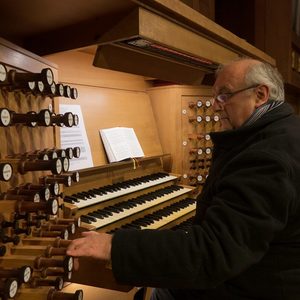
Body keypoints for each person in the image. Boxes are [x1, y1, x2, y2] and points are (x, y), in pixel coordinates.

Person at [66, 58, 300, 299]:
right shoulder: (281, 133)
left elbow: (212, 253)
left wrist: (113, 246)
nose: (215, 106)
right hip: (259, 272)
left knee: (159, 292)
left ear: (260, 95)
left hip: (254, 286)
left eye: (224, 95)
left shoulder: (267, 157)